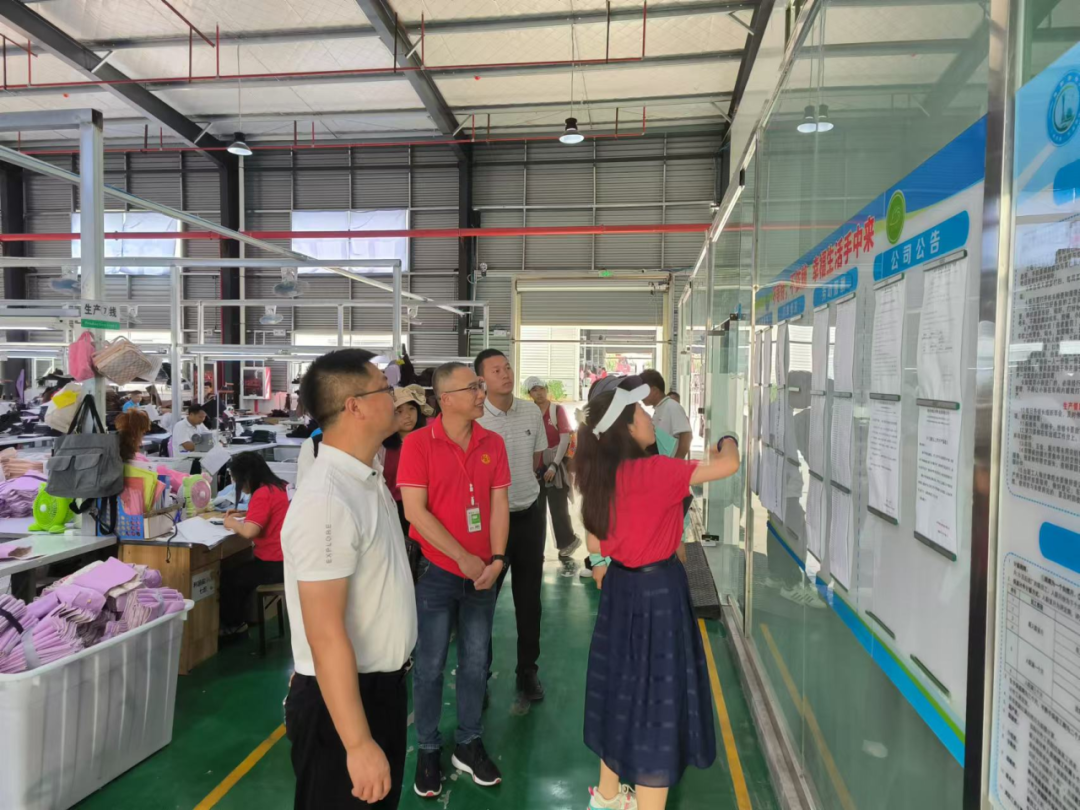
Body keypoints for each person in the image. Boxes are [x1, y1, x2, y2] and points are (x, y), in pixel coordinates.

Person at [575, 379, 740, 810]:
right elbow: (728, 465)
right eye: (642, 414)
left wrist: (608, 560)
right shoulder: (659, 471)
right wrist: (728, 438)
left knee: (621, 687)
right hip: (658, 592)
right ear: (628, 428)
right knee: (655, 706)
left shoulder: (600, 475)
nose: (650, 417)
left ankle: (608, 797)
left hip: (621, 589)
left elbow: (595, 542)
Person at [281, 348, 416, 810]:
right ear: (355, 406)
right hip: (343, 700)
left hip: (377, 690)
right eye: (385, 388)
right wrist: (357, 744)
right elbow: (325, 633)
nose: (395, 397)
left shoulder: (366, 477)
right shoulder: (328, 501)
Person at [398, 362, 510, 797]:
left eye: (481, 386)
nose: (482, 393)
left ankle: (468, 743)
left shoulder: (492, 443)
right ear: (445, 399)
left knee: (476, 663)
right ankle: (428, 748)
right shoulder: (418, 444)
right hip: (436, 573)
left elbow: (498, 506)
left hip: (483, 574)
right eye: (473, 387)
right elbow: (415, 512)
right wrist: (462, 558)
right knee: (429, 666)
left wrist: (496, 560)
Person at [474, 349, 548, 702]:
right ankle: (480, 673)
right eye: (496, 370)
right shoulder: (476, 418)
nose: (505, 374)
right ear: (482, 380)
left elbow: (536, 458)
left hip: (530, 515)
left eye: (507, 367)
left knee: (529, 599)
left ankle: (527, 670)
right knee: (483, 600)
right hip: (490, 524)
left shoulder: (531, 411)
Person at [219, 452, 290, 636]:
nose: (238, 485)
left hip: (272, 564)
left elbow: (249, 532)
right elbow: (269, 514)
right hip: (286, 561)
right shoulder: (280, 486)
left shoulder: (262, 494)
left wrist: (231, 523)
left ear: (247, 477)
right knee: (238, 571)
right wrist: (246, 515)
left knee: (229, 579)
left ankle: (233, 626)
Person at [524, 375, 582, 575]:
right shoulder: (529, 412)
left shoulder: (557, 411)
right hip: (536, 467)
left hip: (555, 465)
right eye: (534, 390)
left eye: (541, 388)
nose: (539, 393)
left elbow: (564, 439)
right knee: (536, 511)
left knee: (558, 507)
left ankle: (568, 542)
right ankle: (536, 548)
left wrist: (554, 465)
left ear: (547, 390)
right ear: (529, 394)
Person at [383, 385, 432, 580]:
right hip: (393, 511)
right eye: (399, 411)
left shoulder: (429, 442)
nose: (407, 416)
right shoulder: (382, 447)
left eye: (412, 409)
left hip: (427, 508)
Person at [641, 370, 692, 460]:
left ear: (654, 391)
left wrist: (676, 462)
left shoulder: (672, 407)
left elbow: (686, 435)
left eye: (643, 391)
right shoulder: (659, 408)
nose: (641, 396)